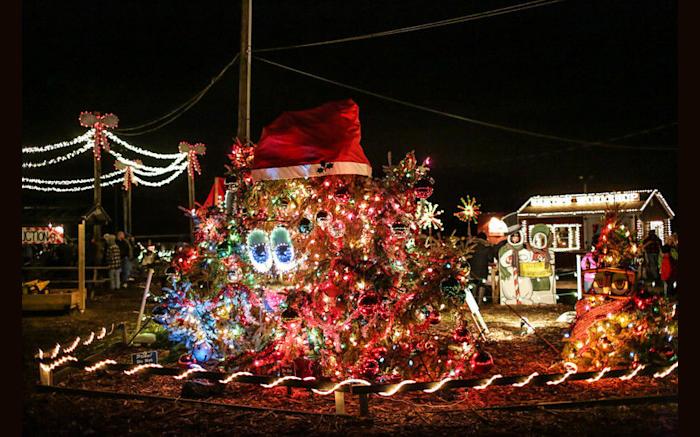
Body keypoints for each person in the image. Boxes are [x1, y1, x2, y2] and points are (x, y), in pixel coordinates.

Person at [469, 232, 494, 304]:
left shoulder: (472, 246)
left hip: (473, 270)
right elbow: (490, 259)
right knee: (482, 285)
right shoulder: (487, 247)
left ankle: (473, 302)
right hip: (483, 270)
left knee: (474, 284)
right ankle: (480, 302)